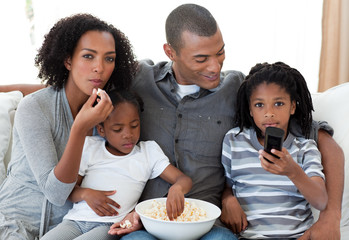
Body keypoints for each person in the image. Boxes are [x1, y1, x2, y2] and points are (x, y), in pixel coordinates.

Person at [0, 4, 344, 240]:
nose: (215, 67)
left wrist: (329, 219)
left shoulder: (239, 89)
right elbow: (69, 85)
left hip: (206, 221)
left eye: (220, 52)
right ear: (171, 52)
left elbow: (315, 132)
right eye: (201, 58)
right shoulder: (135, 81)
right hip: (142, 223)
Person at [0, 13, 137, 240]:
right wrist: (80, 128)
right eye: (88, 56)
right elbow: (55, 192)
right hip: (15, 222)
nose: (99, 68)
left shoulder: (111, 112)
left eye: (109, 59)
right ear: (68, 60)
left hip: (69, 228)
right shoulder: (34, 108)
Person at [41, 89, 192, 240]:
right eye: (117, 129)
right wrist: (85, 194)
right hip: (74, 221)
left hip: (109, 226)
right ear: (101, 130)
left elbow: (184, 179)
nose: (128, 134)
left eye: (134, 125)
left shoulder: (148, 153)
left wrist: (177, 188)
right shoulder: (90, 147)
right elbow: (68, 191)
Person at [221, 62, 328, 239]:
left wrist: (293, 172)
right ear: (250, 108)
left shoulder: (305, 148)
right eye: (259, 105)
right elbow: (227, 186)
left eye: (278, 103)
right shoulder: (234, 140)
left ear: (292, 107)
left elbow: (321, 201)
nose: (269, 113)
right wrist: (228, 199)